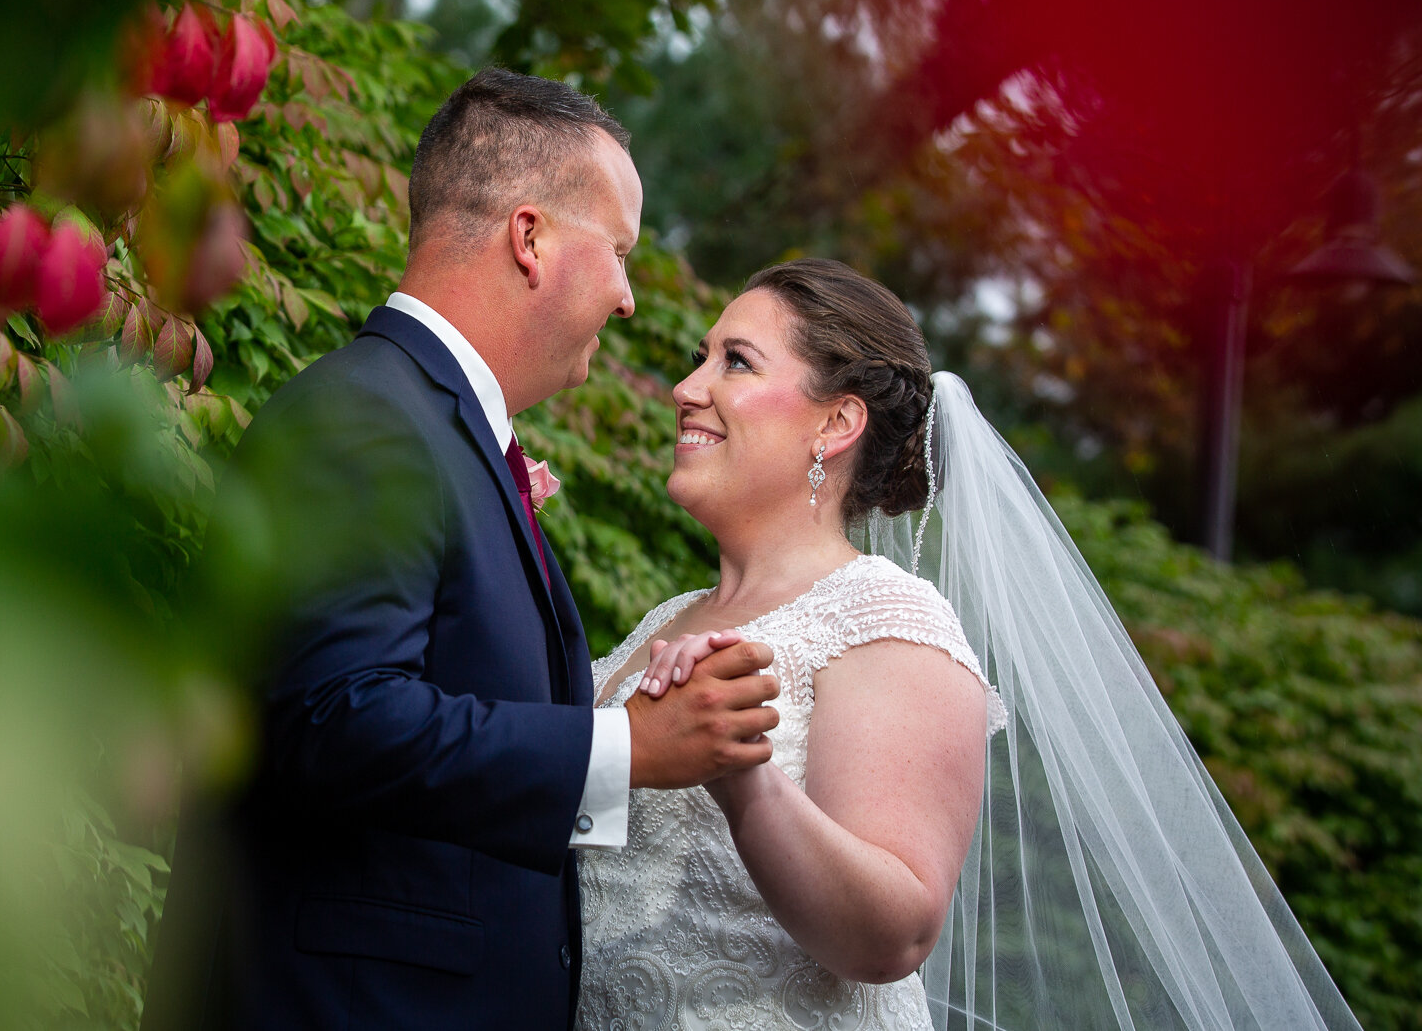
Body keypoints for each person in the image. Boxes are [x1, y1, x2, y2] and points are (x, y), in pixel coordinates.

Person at [143, 69, 782, 1031]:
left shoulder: (427, 427)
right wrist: (626, 750)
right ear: (530, 239)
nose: (627, 300)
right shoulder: (366, 419)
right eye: (618, 252)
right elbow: (332, 717)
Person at [576, 258, 1360, 1031]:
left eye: (735, 361)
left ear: (837, 422)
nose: (688, 387)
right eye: (699, 358)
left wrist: (744, 779)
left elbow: (897, 930)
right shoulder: (664, 619)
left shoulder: (887, 619)